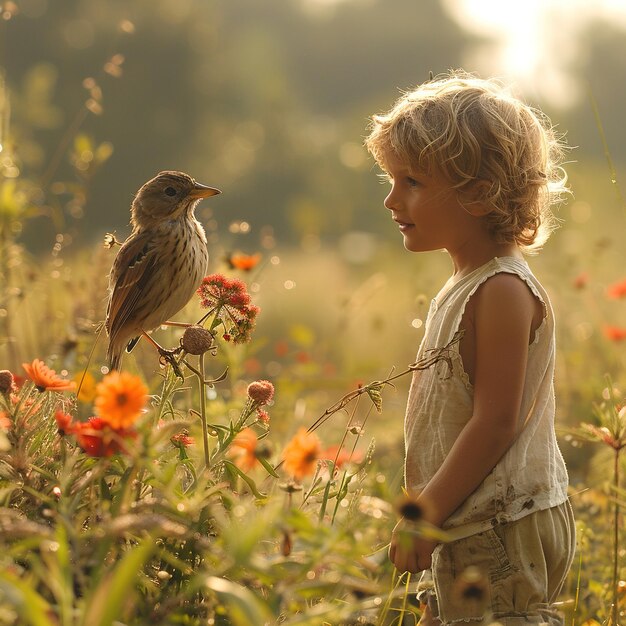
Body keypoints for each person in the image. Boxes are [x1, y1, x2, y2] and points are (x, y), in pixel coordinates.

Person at [365, 71, 575, 625]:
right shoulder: (466, 282)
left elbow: (496, 422)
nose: (391, 199)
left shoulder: (502, 289)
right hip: (472, 515)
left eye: (410, 182)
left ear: (480, 193)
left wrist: (425, 513)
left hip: (503, 522)